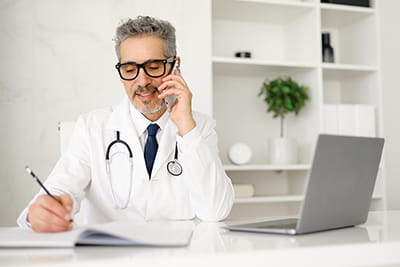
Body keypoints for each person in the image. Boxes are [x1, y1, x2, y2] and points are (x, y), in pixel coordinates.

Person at [17, 16, 234, 232]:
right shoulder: (92, 127)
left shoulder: (199, 126)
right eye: (130, 70)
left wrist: (186, 127)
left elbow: (215, 210)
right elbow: (57, 191)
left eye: (154, 66)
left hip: (179, 258)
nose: (142, 82)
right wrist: (42, 213)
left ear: (174, 66)